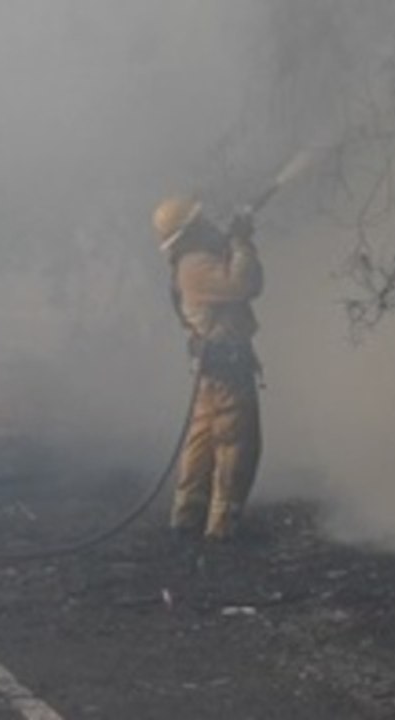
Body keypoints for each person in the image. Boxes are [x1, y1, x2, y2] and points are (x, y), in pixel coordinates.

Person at [153, 196, 264, 549]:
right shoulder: (196, 264)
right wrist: (241, 241)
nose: (208, 225)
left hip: (213, 369)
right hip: (226, 369)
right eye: (200, 221)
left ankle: (186, 519)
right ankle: (222, 528)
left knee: (201, 443)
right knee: (236, 444)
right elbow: (246, 284)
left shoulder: (191, 262)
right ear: (190, 231)